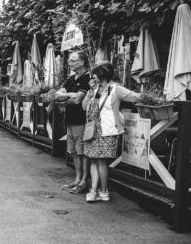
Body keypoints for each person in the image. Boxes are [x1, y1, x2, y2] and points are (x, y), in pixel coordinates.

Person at [82, 62, 140, 203]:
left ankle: (104, 190)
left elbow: (135, 97)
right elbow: (84, 107)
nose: (93, 78)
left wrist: (156, 99)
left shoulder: (116, 89)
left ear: (102, 75)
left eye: (94, 76)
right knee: (93, 160)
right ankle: (94, 190)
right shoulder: (95, 90)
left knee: (101, 161)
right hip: (92, 130)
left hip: (107, 130)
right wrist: (89, 94)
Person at [54, 51, 91, 194]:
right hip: (69, 119)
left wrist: (65, 97)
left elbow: (78, 99)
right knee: (74, 152)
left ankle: (84, 181)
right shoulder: (71, 78)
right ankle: (77, 179)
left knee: (82, 152)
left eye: (72, 61)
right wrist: (68, 96)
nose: (69, 63)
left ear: (81, 62)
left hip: (81, 120)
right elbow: (58, 96)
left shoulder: (87, 77)